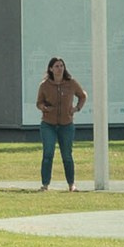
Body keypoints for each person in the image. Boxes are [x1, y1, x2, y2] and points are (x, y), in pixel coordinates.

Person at [37, 54, 86, 188]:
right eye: (57, 66)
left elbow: (82, 96)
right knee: (48, 153)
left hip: (66, 125)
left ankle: (71, 184)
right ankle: (45, 184)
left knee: (67, 155)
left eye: (61, 66)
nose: (60, 69)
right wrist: (44, 107)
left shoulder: (71, 83)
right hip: (48, 124)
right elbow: (39, 102)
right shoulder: (45, 85)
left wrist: (76, 108)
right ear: (51, 69)